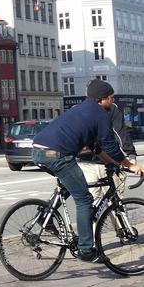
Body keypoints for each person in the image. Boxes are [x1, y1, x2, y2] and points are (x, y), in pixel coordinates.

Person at [32, 79, 144, 262]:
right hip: (57, 155)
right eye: (111, 97)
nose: (113, 100)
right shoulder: (101, 115)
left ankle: (46, 214)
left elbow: (95, 147)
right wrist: (130, 165)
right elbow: (111, 146)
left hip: (40, 151)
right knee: (84, 199)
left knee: (71, 184)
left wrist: (110, 163)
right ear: (102, 99)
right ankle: (86, 250)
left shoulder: (80, 109)